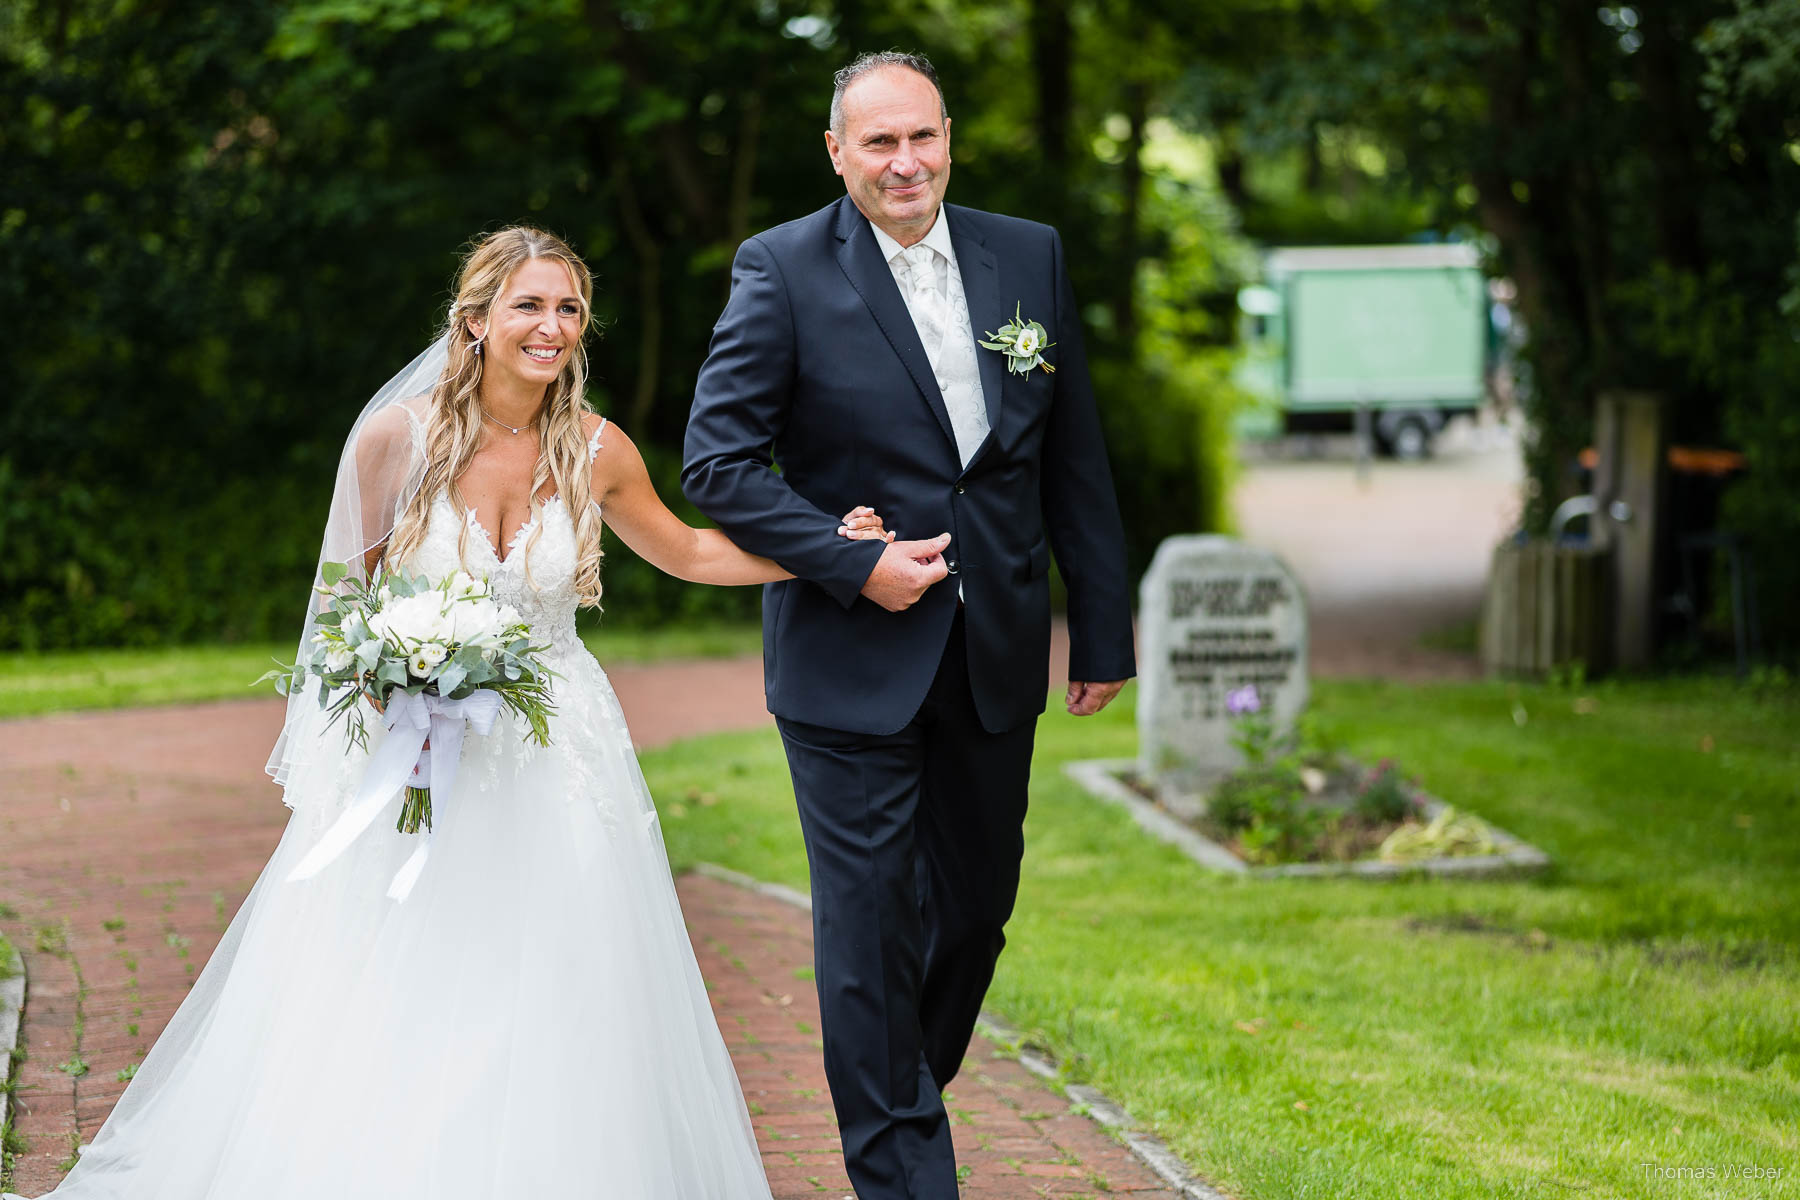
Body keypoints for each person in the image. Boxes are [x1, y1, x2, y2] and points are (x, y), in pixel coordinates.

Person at [4, 226, 922, 1200]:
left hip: (558, 746)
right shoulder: (394, 441)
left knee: (564, 971)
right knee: (407, 964)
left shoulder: (597, 447)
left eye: (568, 308)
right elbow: (340, 605)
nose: (552, 326)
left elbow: (691, 553)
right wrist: (386, 683)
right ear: (475, 320)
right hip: (417, 753)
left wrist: (834, 552)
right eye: (528, 306)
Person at [682, 51, 1137, 1200]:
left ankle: (899, 1103)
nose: (904, 162)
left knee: (976, 916)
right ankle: (903, 1173)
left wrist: (1104, 627)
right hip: (850, 662)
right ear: (836, 153)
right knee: (871, 928)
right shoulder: (780, 269)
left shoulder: (1025, 252)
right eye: (876, 143)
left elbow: (1071, 452)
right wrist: (853, 560)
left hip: (994, 652)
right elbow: (719, 464)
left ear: (950, 139)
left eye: (920, 138)